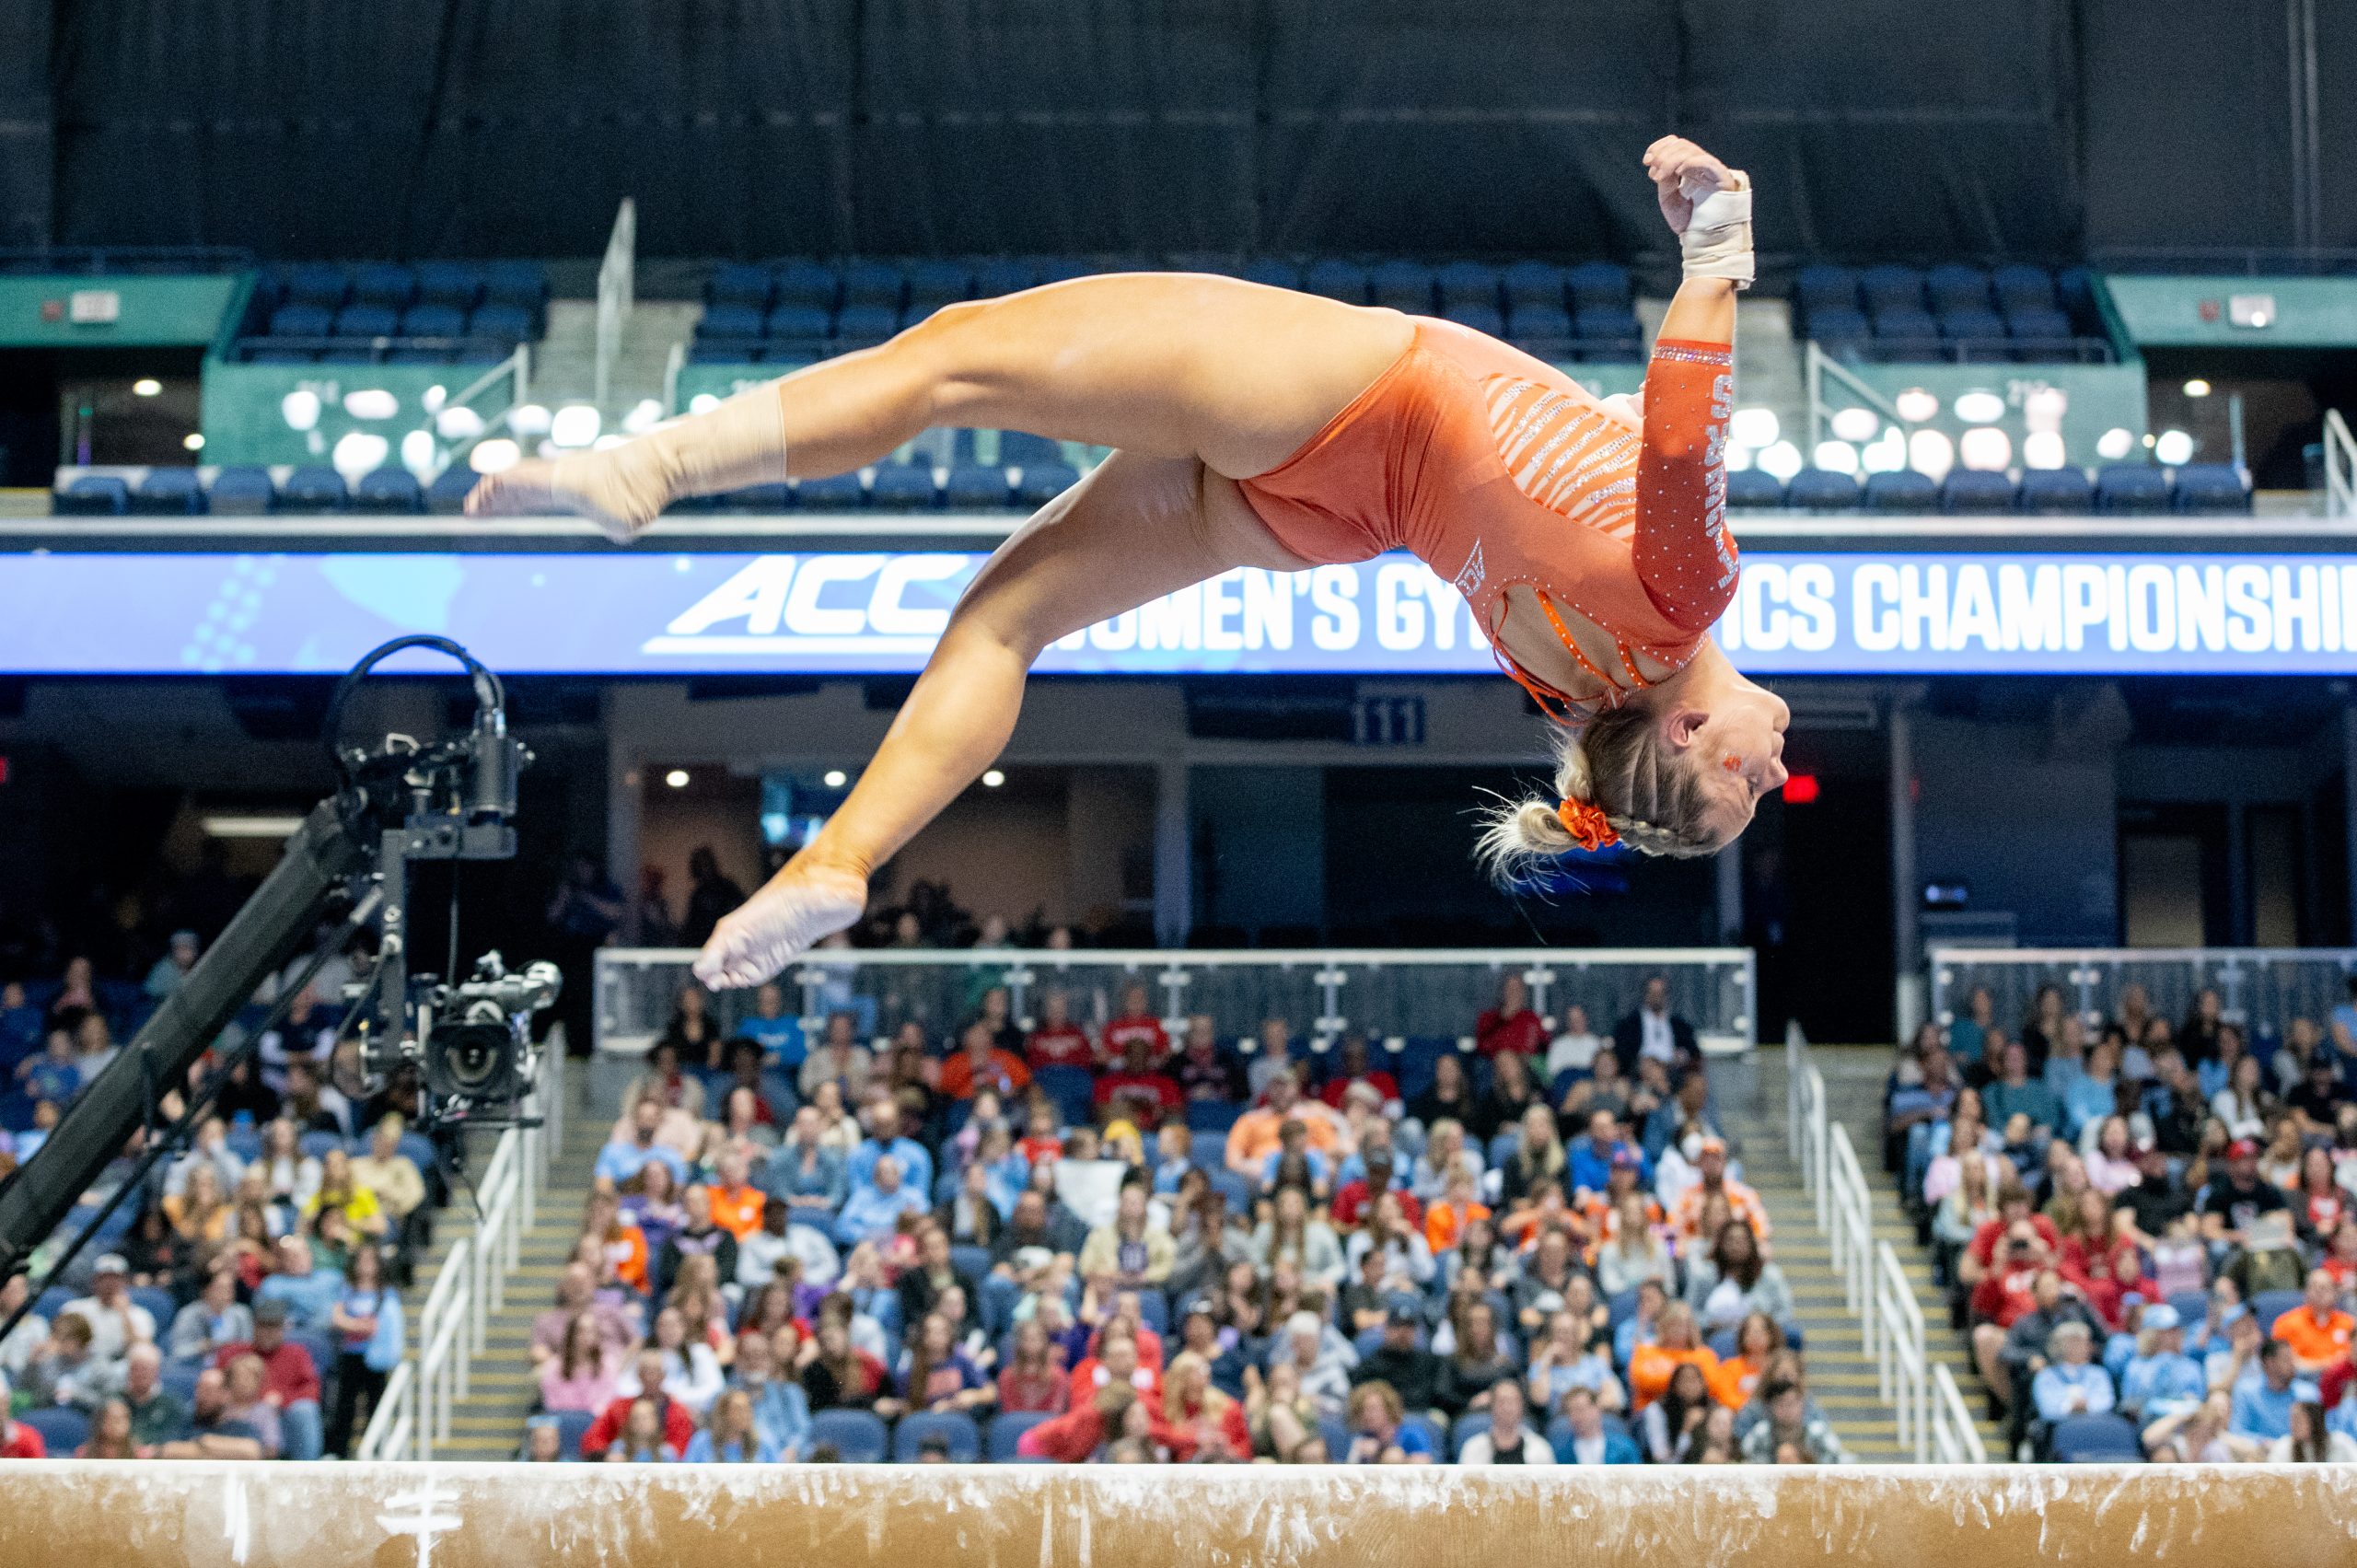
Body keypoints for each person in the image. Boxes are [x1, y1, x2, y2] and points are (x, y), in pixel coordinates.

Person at [494, 145, 1778, 991]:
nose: (1776, 770)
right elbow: (1619, 782)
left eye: (1746, 782)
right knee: (1001, 618)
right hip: (1323, 520)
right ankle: (838, 857)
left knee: (955, 356)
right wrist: (1631, 809)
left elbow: (1681, 436)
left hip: (1350, 399)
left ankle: (654, 465)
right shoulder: (1581, 700)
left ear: (1696, 726)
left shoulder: (1680, 607)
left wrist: (1717, 249)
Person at [323, 1244, 403, 1456]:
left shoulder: (386, 1293)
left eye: (370, 1260)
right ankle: (339, 1451)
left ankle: (377, 1449)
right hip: (351, 1354)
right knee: (345, 1404)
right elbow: (337, 1318)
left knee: (375, 1405)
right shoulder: (347, 1289)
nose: (365, 1266)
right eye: (361, 1260)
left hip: (375, 1357)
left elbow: (385, 1325)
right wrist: (360, 1326)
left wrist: (356, 1325)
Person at [1612, 977, 1700, 1075]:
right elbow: (1622, 1052)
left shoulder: (1680, 1025)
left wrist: (1683, 1055)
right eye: (1653, 993)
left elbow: (1693, 1050)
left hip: (1673, 1072)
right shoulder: (1629, 1024)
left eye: (1661, 993)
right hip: (1639, 1074)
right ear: (1645, 995)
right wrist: (1640, 1063)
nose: (1657, 997)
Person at [1457, 1377, 1554, 1465]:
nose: (1507, 1408)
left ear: (1522, 1406)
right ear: (1491, 1406)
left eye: (1512, 1401)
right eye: (1502, 1401)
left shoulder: (1540, 1448)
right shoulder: (1473, 1448)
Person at [1555, 1384, 1642, 1464]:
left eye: (1580, 1409)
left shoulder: (1624, 1448)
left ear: (1596, 1408)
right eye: (1570, 1411)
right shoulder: (1562, 1453)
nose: (1575, 1416)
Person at [2270, 1400, 2357, 1462]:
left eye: (2298, 1420)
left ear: (2314, 1421)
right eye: (2291, 1420)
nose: (2292, 1426)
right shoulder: (2285, 1446)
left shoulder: (2340, 1442)